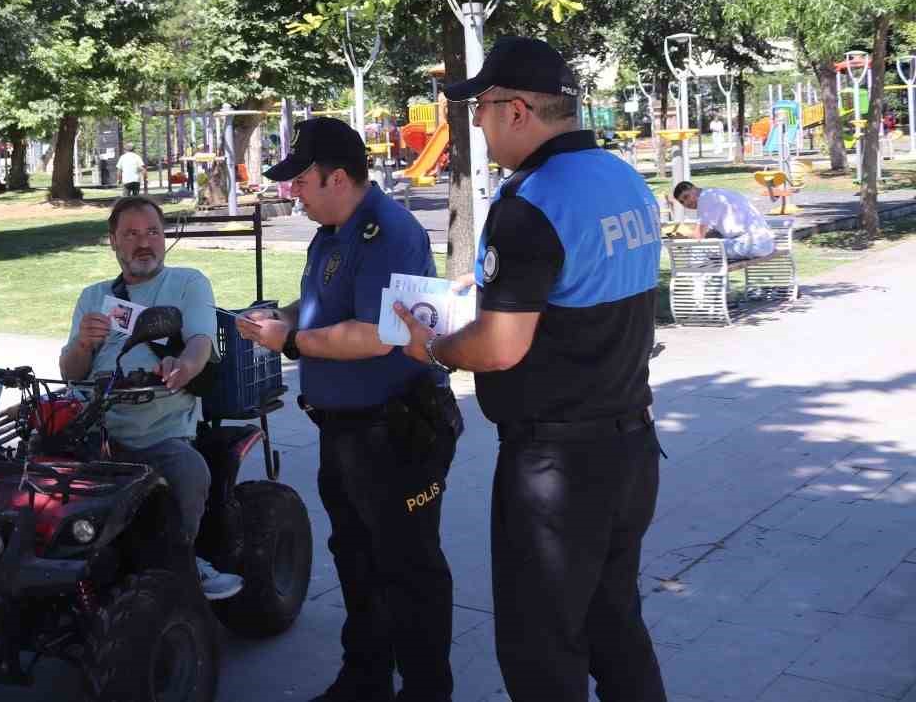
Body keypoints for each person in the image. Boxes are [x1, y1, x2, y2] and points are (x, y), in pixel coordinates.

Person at [390, 37, 668, 702]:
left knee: (540, 650)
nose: (476, 124)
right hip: (630, 449)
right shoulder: (622, 177)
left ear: (517, 111)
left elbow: (501, 348)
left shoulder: (530, 204)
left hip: (557, 469)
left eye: (481, 108)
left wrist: (430, 348)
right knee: (615, 626)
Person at [235, 115, 461, 702]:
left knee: (408, 568)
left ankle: (425, 690)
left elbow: (377, 335)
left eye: (301, 182)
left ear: (336, 178)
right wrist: (282, 318)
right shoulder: (332, 230)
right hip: (346, 433)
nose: (293, 193)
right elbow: (324, 309)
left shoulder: (387, 232)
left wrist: (287, 340)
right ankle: (365, 680)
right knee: (358, 561)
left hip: (394, 432)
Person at [62, 195, 245, 601]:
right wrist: (81, 344)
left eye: (153, 232)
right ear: (113, 241)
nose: (143, 243)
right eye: (131, 234)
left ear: (165, 238)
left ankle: (184, 562)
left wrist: (184, 366)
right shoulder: (93, 296)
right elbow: (70, 373)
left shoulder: (186, 282)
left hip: (160, 430)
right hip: (97, 428)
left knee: (189, 471)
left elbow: (199, 340)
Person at [673, 181, 775, 259]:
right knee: (710, 247)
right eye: (682, 202)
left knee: (697, 249)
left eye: (687, 196)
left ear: (694, 188)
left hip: (753, 244)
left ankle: (701, 286)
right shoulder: (716, 193)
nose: (687, 203)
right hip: (764, 242)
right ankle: (712, 284)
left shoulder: (705, 198)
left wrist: (681, 237)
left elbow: (698, 237)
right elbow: (712, 233)